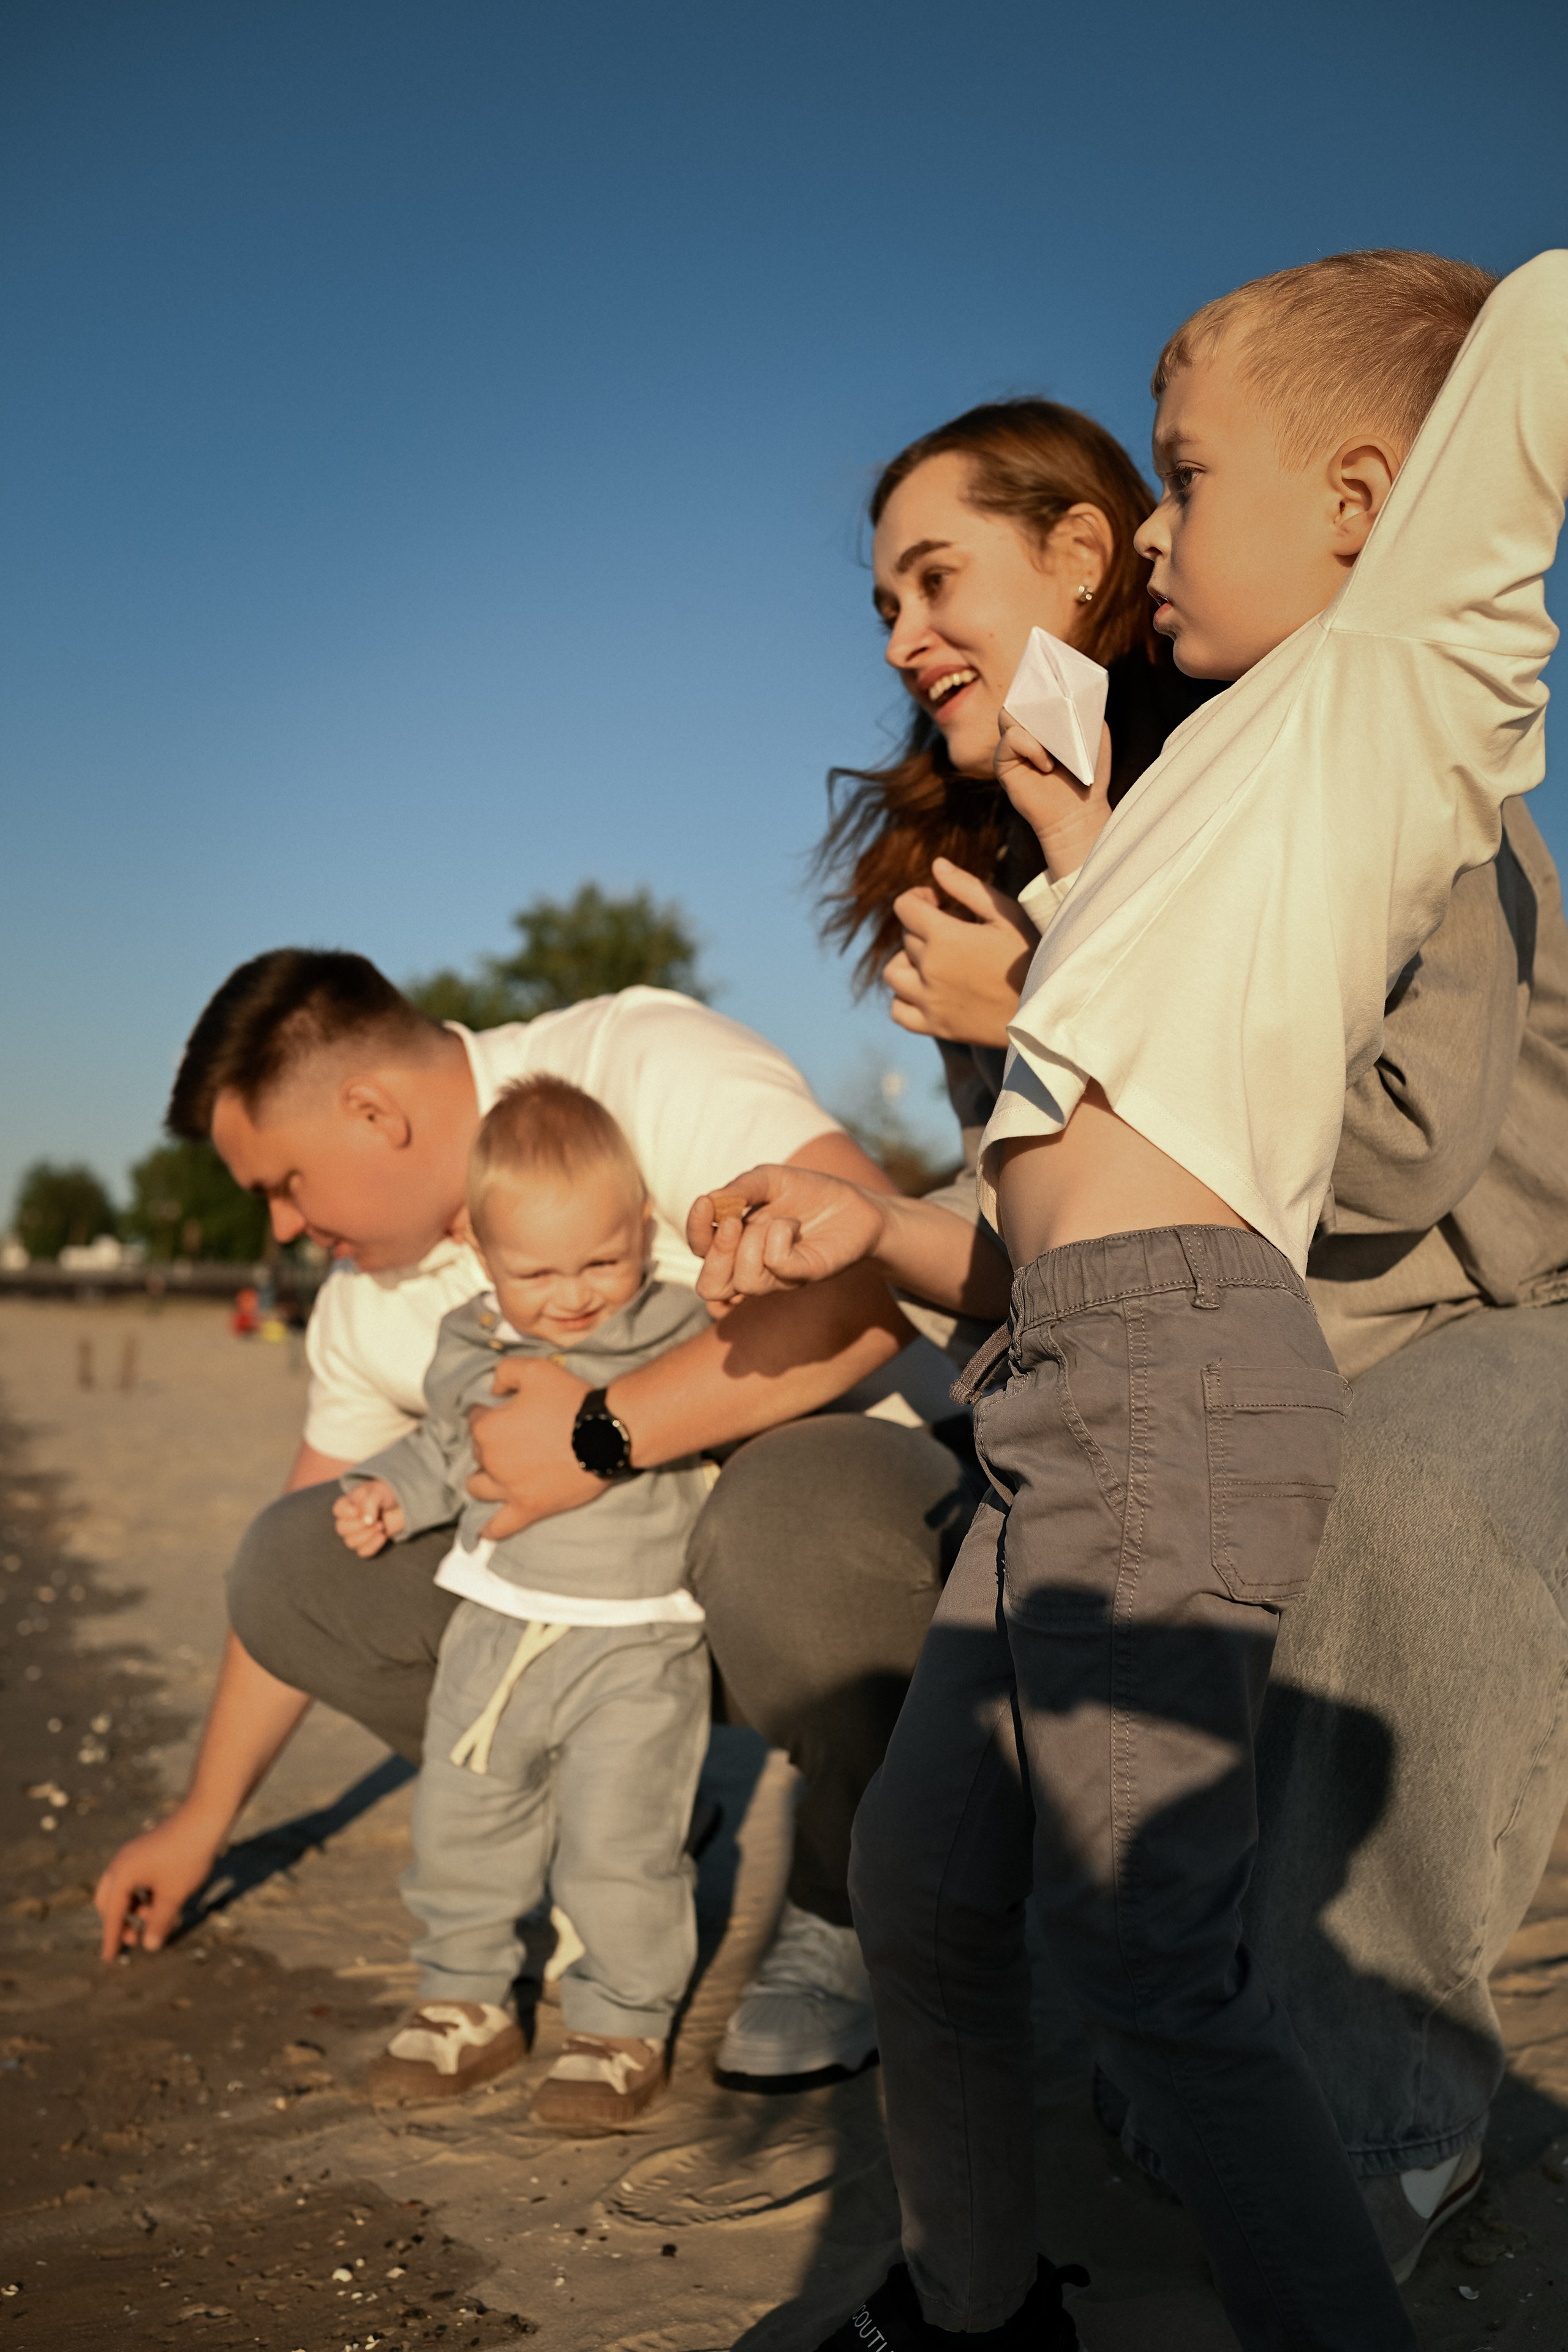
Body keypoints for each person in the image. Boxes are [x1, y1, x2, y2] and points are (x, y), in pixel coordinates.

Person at [695, 251, 1568, 2352]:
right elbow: (1104, 1076)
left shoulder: (1394, 692)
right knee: (923, 1880)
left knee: (1159, 1962)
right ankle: (978, 2306)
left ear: (1372, 505)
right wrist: (1075, 811)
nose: (1153, 523)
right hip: (1064, 1375)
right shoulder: (1193, 797)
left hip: (1184, 1362)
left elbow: (1530, 342)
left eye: (1187, 467)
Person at [92, 947, 971, 2084]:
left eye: (283, 1183)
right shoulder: (369, 1305)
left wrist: (598, 1434)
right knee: (292, 1562)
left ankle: (846, 1895)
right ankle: (609, 1805)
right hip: (626, 1625)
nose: (281, 1229)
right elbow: (305, 1549)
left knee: (786, 1505)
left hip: (881, 1542)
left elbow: (868, 1283)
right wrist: (202, 1818)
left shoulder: (636, 1061)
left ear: (371, 1111)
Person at [334, 1076, 716, 2129]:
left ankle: (620, 2020)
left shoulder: (679, 1328)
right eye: (534, 1271)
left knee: (620, 1840)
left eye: (603, 1259)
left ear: (643, 1229)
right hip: (496, 1623)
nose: (574, 1294)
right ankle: (463, 1997)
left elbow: (725, 1405)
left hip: (639, 1639)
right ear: (482, 1257)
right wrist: (388, 1494)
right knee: (463, 1814)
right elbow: (447, 1447)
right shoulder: (474, 1342)